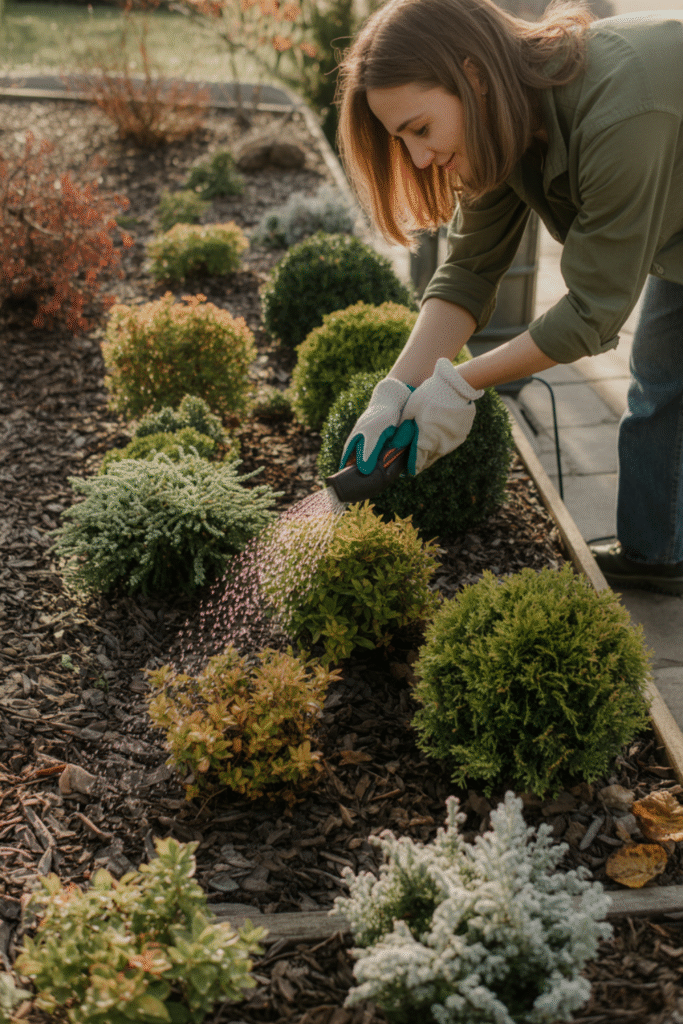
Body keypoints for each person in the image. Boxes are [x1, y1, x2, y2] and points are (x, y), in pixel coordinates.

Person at [334, 0, 683, 596]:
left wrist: (462, 383)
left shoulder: (624, 106)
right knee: (661, 387)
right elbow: (468, 272)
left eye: (421, 128)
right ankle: (656, 557)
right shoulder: (501, 128)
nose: (419, 158)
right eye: (402, 140)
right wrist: (393, 392)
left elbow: (591, 313)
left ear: (472, 77)